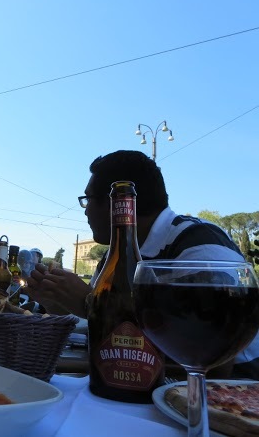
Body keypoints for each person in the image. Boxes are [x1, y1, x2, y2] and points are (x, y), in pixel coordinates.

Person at [24, 149, 258, 379]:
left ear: (116, 202)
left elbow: (211, 359)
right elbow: (108, 334)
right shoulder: (112, 257)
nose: (85, 212)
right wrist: (55, 302)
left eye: (89, 200)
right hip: (134, 382)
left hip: (237, 389)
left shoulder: (201, 246)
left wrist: (89, 303)